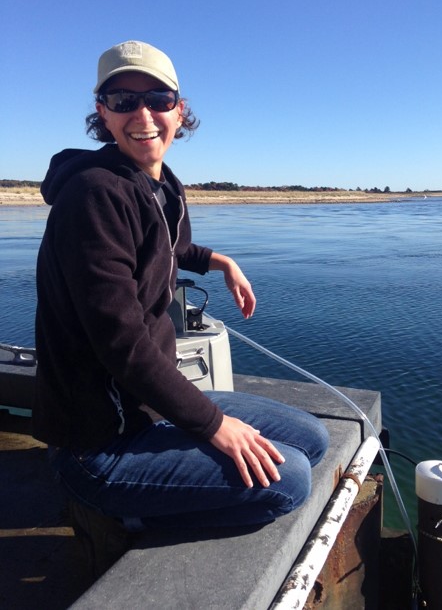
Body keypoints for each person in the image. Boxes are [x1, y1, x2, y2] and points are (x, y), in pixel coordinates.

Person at [33, 40, 329, 533]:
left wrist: (221, 262)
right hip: (98, 442)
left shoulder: (159, 183)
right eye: (124, 101)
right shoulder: (94, 195)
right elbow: (121, 342)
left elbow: (171, 248)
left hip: (146, 411)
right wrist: (214, 427)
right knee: (290, 479)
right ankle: (130, 527)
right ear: (103, 113)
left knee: (312, 437)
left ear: (179, 109)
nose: (142, 113)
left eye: (158, 99)